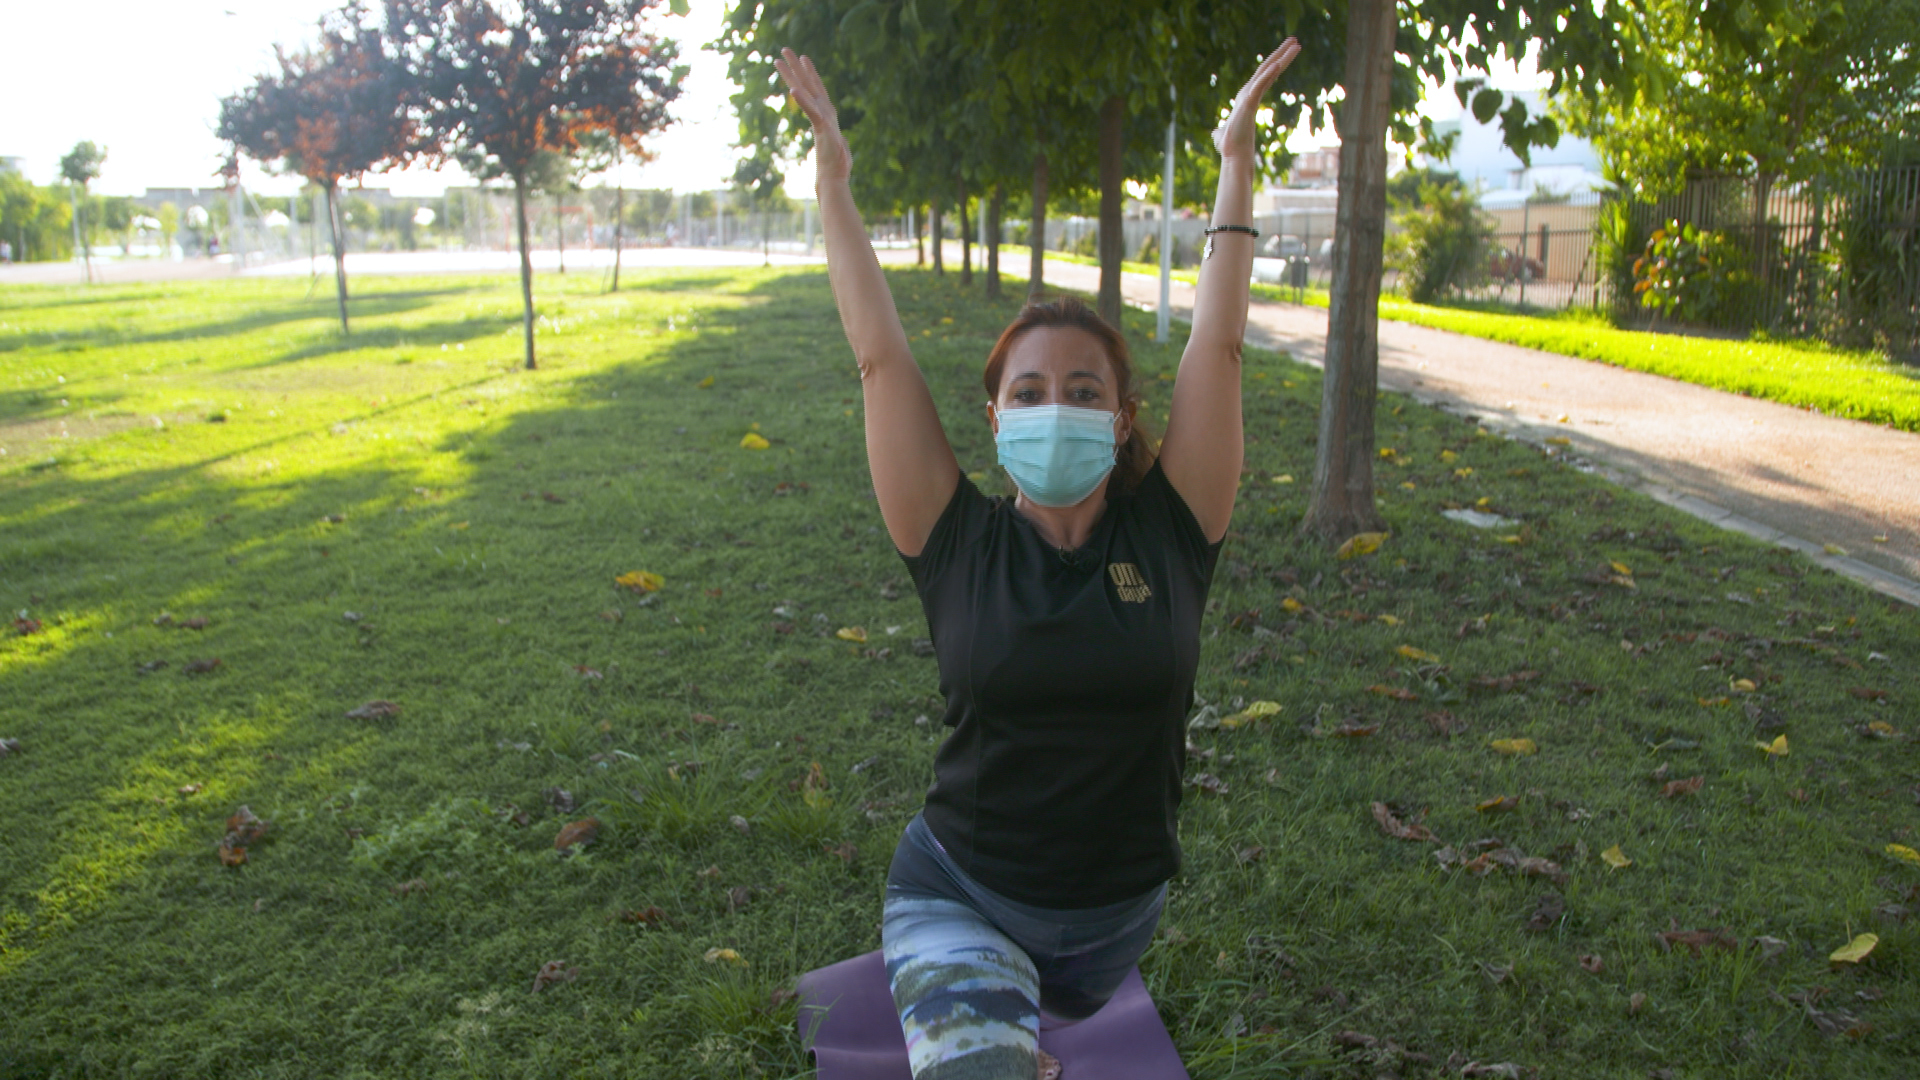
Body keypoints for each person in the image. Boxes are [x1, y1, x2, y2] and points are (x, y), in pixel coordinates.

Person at [775, 37, 1301, 1080]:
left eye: (1084, 389)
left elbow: (1219, 347)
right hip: (959, 891)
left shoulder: (1172, 529)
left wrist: (1235, 166)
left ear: (1120, 419)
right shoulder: (953, 536)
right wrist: (834, 183)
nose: (1054, 405)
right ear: (992, 416)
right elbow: (879, 355)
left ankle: (994, 1022)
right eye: (1028, 390)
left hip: (1111, 935)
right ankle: (965, 1017)